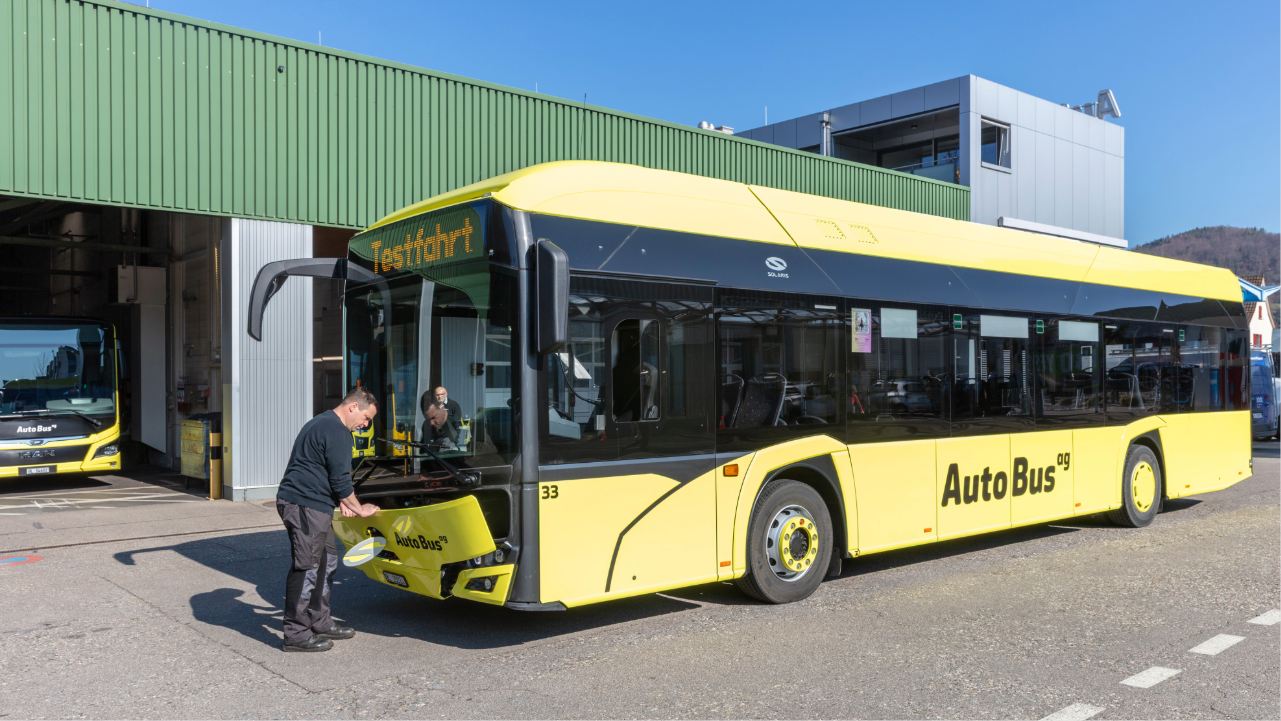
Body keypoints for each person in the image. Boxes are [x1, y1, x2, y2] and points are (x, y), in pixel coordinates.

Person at [275, 387, 381, 652]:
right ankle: (296, 635)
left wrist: (341, 501)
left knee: (327, 561)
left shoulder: (322, 422)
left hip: (316, 505)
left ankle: (319, 620)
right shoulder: (336, 431)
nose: (366, 425)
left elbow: (322, 471)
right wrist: (358, 508)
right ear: (353, 407)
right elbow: (341, 481)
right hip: (304, 504)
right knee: (307, 566)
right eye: (366, 418)